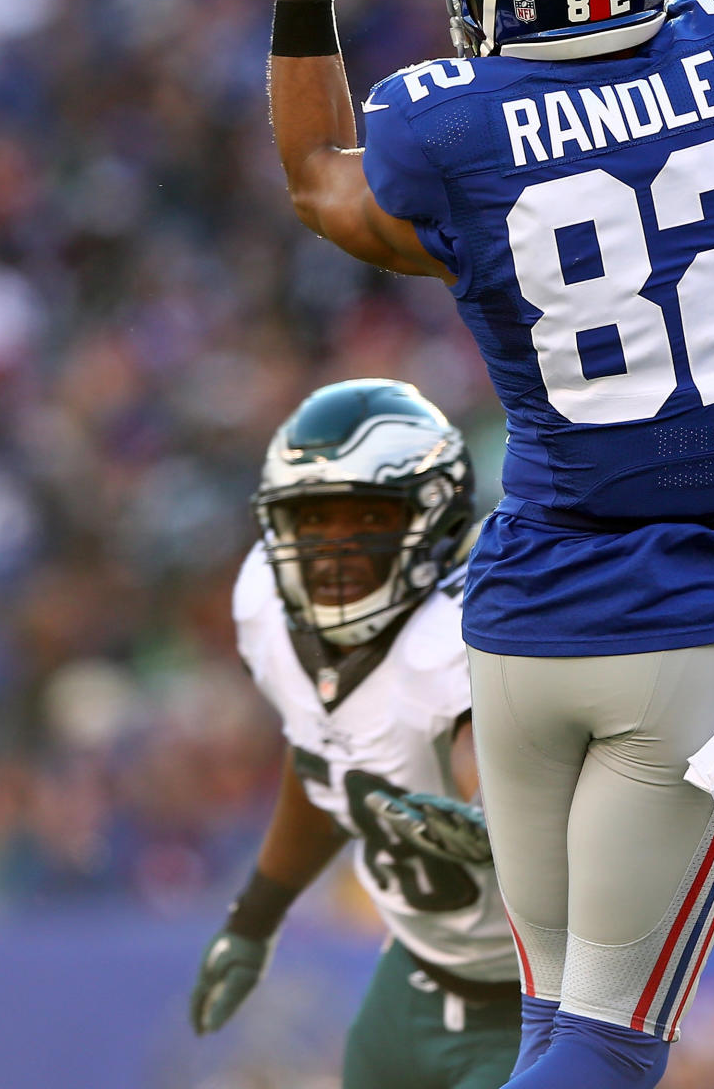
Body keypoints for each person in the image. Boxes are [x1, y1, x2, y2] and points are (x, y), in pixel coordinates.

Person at [198, 0, 714, 1089]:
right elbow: (625, 9)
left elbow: (322, 178)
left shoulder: (445, 129)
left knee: (552, 1039)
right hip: (683, 624)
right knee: (602, 1057)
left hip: (525, 621)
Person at [189, 378, 522, 1089]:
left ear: (433, 518)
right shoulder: (268, 607)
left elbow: (485, 757)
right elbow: (329, 762)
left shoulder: (474, 626)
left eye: (366, 516)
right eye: (311, 520)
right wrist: (255, 918)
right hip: (410, 979)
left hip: (540, 1007)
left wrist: (508, 821)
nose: (333, 550)